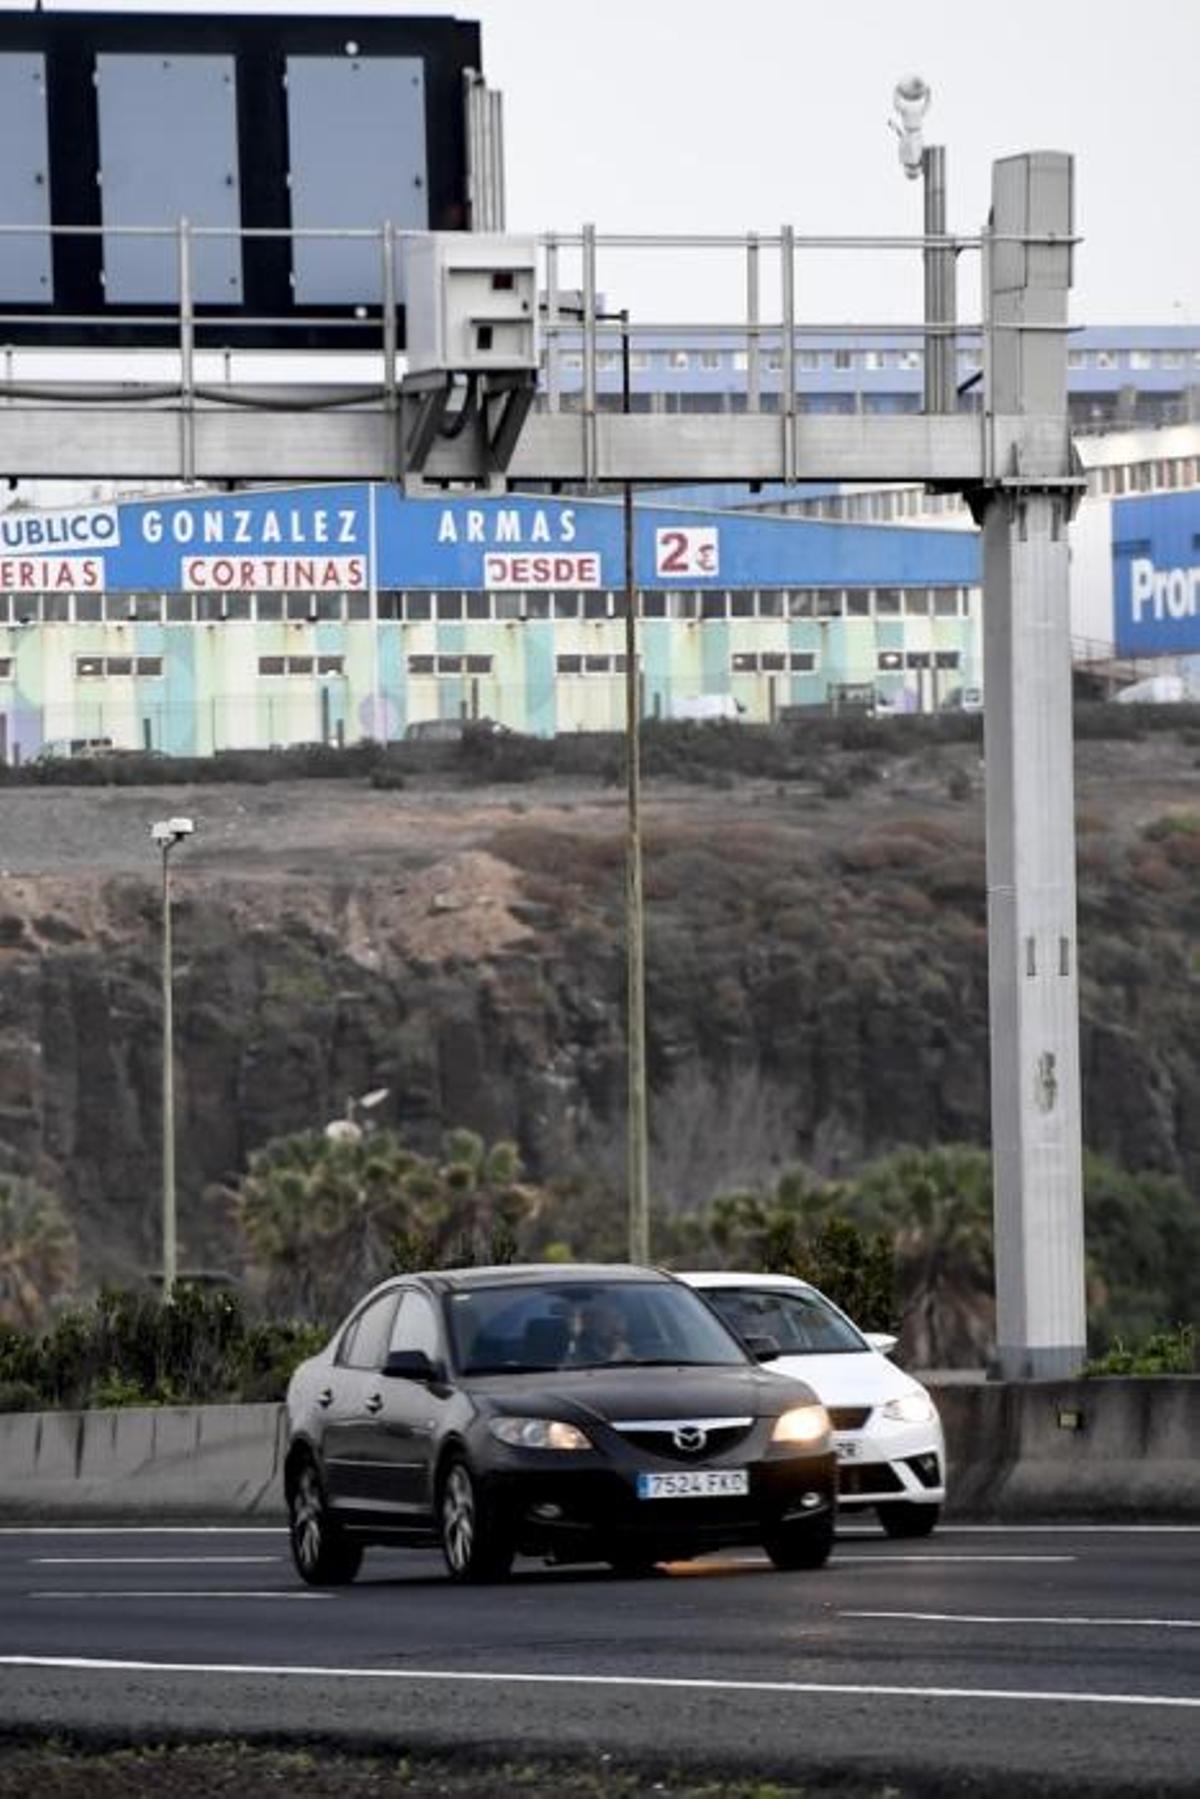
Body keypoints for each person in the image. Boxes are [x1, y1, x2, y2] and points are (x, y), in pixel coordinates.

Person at [569, 1297, 635, 1365]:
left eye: (619, 1318)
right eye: (615, 1318)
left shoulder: (628, 1354)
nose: (620, 1326)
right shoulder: (577, 1348)